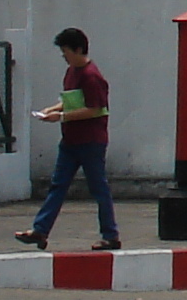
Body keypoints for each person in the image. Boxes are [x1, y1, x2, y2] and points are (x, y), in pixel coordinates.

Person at [18, 26, 118, 250]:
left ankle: (110, 234)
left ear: (78, 49)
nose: (64, 56)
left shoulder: (92, 77)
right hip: (71, 140)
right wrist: (52, 110)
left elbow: (94, 108)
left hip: (91, 141)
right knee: (58, 185)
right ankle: (40, 230)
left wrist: (61, 116)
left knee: (98, 188)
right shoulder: (72, 71)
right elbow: (71, 100)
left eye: (66, 51)